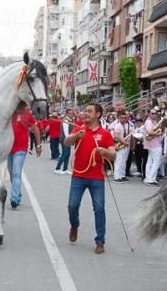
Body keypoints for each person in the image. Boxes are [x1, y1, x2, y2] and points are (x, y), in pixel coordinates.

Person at [65, 103, 116, 254]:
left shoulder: (105, 133)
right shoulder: (79, 128)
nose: (85, 113)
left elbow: (114, 154)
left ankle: (100, 240)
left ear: (98, 115)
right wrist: (76, 136)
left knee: (99, 208)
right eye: (85, 111)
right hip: (78, 176)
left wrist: (104, 151)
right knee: (72, 206)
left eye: (89, 111)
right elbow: (66, 142)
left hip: (96, 177)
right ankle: (75, 224)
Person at [7, 102, 41, 208]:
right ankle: (17, 194)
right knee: (12, 174)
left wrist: (38, 145)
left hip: (21, 148)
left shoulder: (27, 114)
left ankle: (15, 198)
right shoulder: (9, 113)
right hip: (8, 148)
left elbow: (35, 129)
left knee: (16, 173)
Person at [142, 108, 164, 184]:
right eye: (152, 113)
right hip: (154, 145)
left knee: (150, 161)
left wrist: (159, 129)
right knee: (156, 162)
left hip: (152, 144)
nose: (154, 115)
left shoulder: (153, 121)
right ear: (149, 114)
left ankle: (149, 177)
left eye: (155, 113)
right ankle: (150, 179)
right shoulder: (148, 122)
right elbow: (150, 132)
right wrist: (158, 133)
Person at [109, 111, 132, 182]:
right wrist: (124, 142)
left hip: (124, 145)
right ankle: (117, 177)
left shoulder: (126, 125)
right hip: (120, 145)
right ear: (119, 118)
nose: (123, 119)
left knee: (123, 161)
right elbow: (117, 136)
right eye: (122, 118)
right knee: (118, 161)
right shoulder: (117, 126)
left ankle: (122, 175)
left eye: (125, 118)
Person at [54, 108, 74, 174]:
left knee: (68, 154)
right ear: (67, 114)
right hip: (65, 139)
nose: (71, 114)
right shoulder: (66, 121)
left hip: (68, 139)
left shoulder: (70, 120)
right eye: (70, 113)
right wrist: (69, 139)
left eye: (72, 113)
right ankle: (57, 168)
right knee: (64, 154)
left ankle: (65, 169)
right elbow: (66, 132)